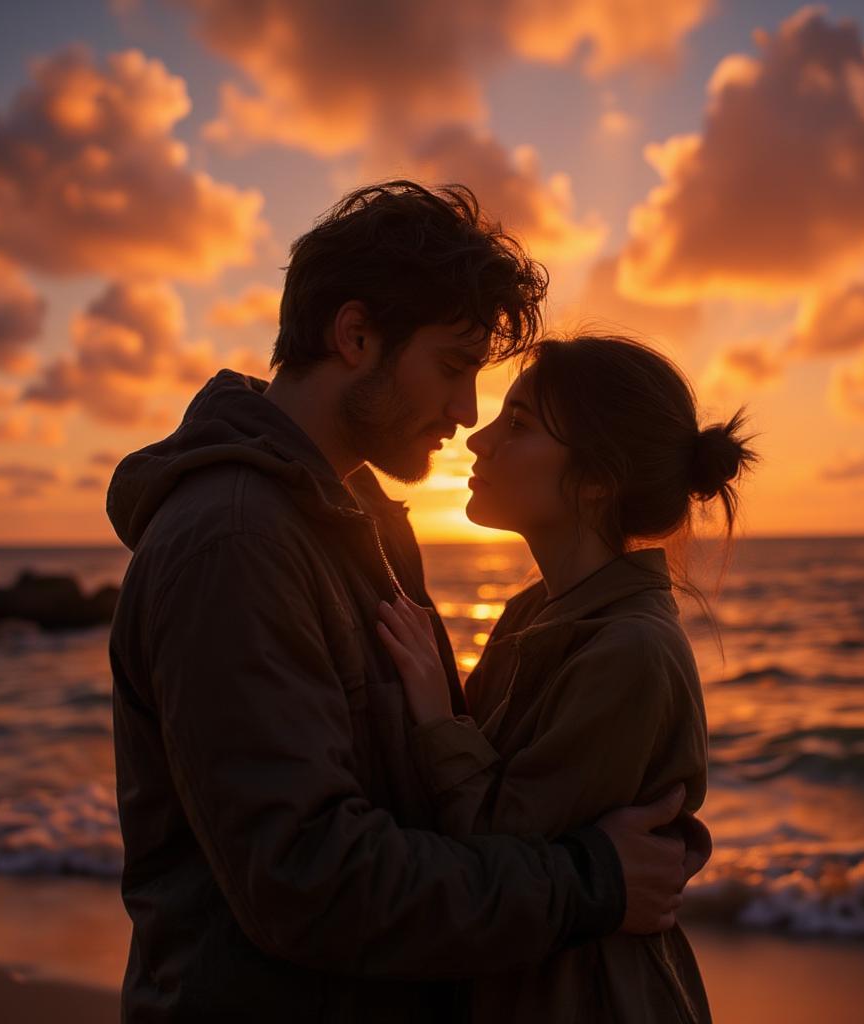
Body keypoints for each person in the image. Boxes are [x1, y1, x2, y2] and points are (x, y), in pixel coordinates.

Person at [106, 182, 712, 1022]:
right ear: (356, 336)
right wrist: (593, 882)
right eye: (455, 368)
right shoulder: (234, 543)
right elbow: (307, 880)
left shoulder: (370, 525)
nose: (467, 415)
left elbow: (423, 807)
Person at [378, 334, 760, 1022]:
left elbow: (496, 842)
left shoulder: (631, 650)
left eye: (518, 425)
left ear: (596, 479)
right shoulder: (534, 609)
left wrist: (438, 718)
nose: (479, 440)